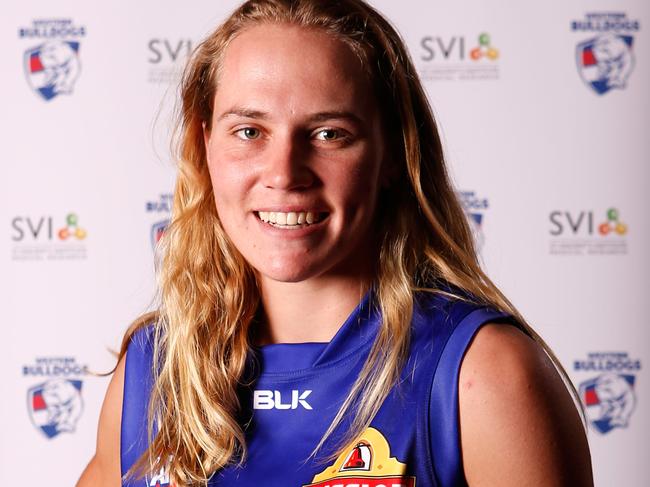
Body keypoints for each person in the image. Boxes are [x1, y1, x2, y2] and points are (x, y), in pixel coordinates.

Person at [77, 0, 593, 485]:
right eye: (249, 131)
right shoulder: (151, 373)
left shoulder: (482, 375)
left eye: (329, 134)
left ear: (393, 153)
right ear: (204, 143)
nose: (284, 174)